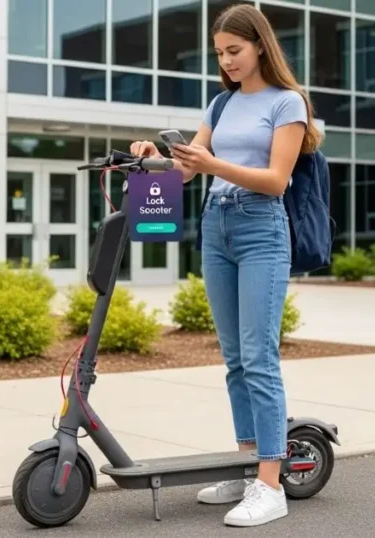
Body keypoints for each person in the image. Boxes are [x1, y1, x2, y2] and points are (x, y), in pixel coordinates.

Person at [129, 3, 320, 528]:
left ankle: (269, 484)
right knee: (235, 358)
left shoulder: (288, 104)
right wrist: (155, 157)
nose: (227, 61)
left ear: (260, 46)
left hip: (261, 227)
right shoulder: (219, 104)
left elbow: (277, 180)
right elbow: (188, 170)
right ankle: (245, 465)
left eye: (234, 51)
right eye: (220, 54)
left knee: (260, 356)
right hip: (216, 226)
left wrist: (213, 165)